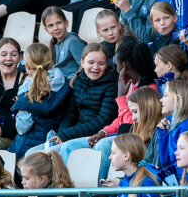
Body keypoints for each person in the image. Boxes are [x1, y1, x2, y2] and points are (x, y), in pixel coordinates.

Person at [60, 38, 158, 179]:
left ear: (123, 66)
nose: (115, 67)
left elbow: (130, 124)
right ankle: (67, 191)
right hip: (118, 134)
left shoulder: (148, 89)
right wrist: (104, 132)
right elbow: (119, 120)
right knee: (68, 147)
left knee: (104, 146)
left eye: (115, 63)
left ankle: (101, 190)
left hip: (137, 139)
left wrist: (120, 97)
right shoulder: (130, 85)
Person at [26, 44, 119, 156]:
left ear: (106, 64)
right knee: (31, 154)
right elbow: (70, 114)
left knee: (63, 149)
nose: (95, 67)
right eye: (91, 62)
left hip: (94, 136)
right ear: (82, 62)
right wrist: (61, 134)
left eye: (101, 63)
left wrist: (66, 135)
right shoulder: (78, 81)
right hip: (74, 133)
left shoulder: (112, 86)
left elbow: (102, 121)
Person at [8, 44, 71, 158]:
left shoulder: (26, 89)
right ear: (51, 61)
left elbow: (23, 128)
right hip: (52, 146)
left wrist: (20, 104)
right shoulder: (63, 82)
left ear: (26, 66)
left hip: (27, 150)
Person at [42, 6, 87, 78]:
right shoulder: (56, 44)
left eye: (59, 23)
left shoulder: (73, 42)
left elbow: (85, 67)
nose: (56, 28)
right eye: (51, 25)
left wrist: (71, 81)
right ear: (46, 30)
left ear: (66, 23)